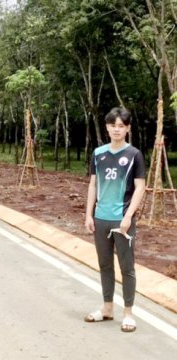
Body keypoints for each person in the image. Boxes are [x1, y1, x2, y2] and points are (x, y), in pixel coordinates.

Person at [84, 107, 145, 332]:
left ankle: (128, 313)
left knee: (126, 266)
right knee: (104, 264)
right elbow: (93, 184)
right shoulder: (98, 153)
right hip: (101, 218)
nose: (116, 129)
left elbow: (140, 187)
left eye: (121, 125)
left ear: (128, 128)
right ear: (107, 127)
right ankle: (107, 308)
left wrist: (128, 216)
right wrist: (88, 214)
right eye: (113, 125)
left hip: (122, 221)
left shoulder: (134, 155)